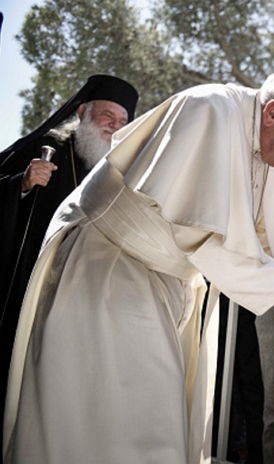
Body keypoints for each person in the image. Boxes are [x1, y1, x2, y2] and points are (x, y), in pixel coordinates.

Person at [2, 65, 274, 464]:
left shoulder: (272, 146)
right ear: (273, 112)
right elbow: (201, 238)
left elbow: (272, 243)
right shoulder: (210, 110)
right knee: (111, 427)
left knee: (155, 420)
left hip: (162, 284)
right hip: (110, 270)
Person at [0, 74, 138, 459]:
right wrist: (22, 184)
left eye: (121, 121)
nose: (113, 126)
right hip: (26, 284)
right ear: (82, 112)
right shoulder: (46, 149)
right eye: (106, 115)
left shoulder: (115, 172)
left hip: (79, 296)